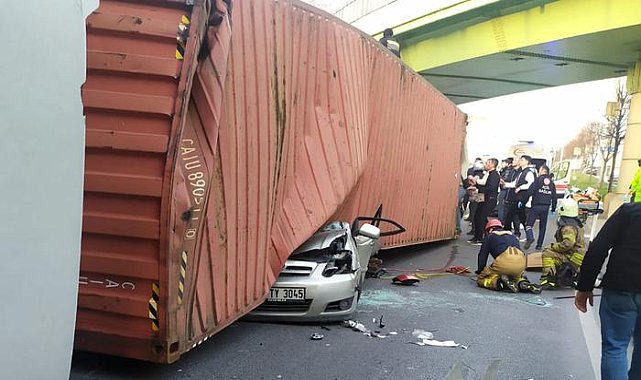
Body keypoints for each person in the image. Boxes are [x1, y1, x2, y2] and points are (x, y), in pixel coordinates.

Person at [574, 202, 641, 380]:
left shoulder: (629, 212)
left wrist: (584, 286)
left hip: (621, 287)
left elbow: (598, 247)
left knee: (615, 346)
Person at [474, 219, 541, 293]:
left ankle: (500, 283)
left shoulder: (490, 236)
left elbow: (482, 256)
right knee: (515, 277)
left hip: (504, 263)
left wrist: (480, 272)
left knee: (481, 279)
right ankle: (522, 283)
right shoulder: (512, 235)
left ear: (490, 229)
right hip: (520, 264)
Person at [539, 198, 586, 289]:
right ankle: (565, 277)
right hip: (577, 258)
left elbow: (568, 243)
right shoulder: (576, 224)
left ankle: (549, 279)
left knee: (547, 252)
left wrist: (553, 246)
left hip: (572, 258)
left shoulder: (567, 227)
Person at [502, 155, 536, 239]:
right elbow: (515, 183)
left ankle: (510, 233)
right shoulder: (521, 172)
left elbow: (530, 184)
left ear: (527, 162)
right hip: (517, 198)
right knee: (518, 216)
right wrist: (505, 184)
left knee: (514, 215)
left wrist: (520, 187)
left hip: (522, 198)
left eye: (522, 160)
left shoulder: (529, 172)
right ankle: (528, 235)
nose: (520, 161)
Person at [523, 165, 557, 250]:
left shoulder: (537, 180)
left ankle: (530, 237)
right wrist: (553, 208)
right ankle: (539, 245)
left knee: (529, 224)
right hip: (546, 207)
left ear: (542, 170)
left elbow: (530, 191)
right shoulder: (552, 183)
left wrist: (524, 200)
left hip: (536, 205)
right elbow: (554, 197)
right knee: (543, 226)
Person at [469, 158, 500, 244]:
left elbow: (491, 188)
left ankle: (481, 238)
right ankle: (477, 236)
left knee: (481, 218)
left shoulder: (494, 175)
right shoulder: (487, 173)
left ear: (492, 165)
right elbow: (482, 183)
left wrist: (478, 190)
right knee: (477, 216)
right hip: (482, 197)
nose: (485, 164)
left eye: (487, 163)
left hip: (489, 199)